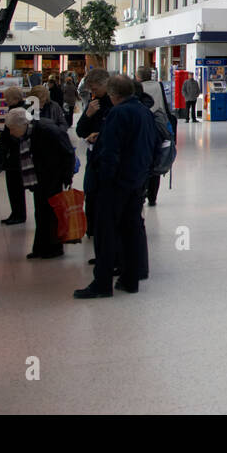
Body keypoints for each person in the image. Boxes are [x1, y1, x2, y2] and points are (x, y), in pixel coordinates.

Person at [75, 75, 160, 299]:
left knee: (106, 233)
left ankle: (102, 284)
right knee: (131, 230)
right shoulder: (144, 110)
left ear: (113, 94)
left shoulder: (118, 113)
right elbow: (152, 144)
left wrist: (104, 179)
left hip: (116, 184)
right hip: (137, 180)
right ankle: (130, 279)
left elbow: (111, 151)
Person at [4, 107, 75, 260]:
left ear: (22, 125)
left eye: (12, 129)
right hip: (40, 176)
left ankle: (54, 248)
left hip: (53, 176)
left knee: (51, 213)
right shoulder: (31, 132)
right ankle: (41, 247)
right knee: (41, 212)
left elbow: (68, 151)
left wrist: (67, 177)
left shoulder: (46, 130)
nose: (11, 133)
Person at [75, 68, 113, 240]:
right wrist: (88, 115)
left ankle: (101, 229)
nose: (93, 93)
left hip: (108, 158)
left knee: (102, 195)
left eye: (95, 89)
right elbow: (80, 130)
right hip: (93, 155)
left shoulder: (114, 104)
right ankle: (92, 228)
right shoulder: (94, 103)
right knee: (90, 191)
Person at [135, 67, 175, 207]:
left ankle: (143, 191)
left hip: (145, 125)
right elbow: (165, 104)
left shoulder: (138, 88)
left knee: (144, 160)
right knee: (156, 160)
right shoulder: (159, 85)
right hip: (160, 125)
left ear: (138, 77)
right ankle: (153, 197)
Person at [0, 85, 32, 225]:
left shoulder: (19, 112)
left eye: (7, 98)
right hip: (14, 154)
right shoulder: (19, 110)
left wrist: (2, 136)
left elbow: (18, 135)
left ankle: (19, 214)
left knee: (15, 186)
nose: (5, 101)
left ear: (15, 98)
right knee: (13, 186)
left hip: (17, 155)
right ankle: (15, 213)